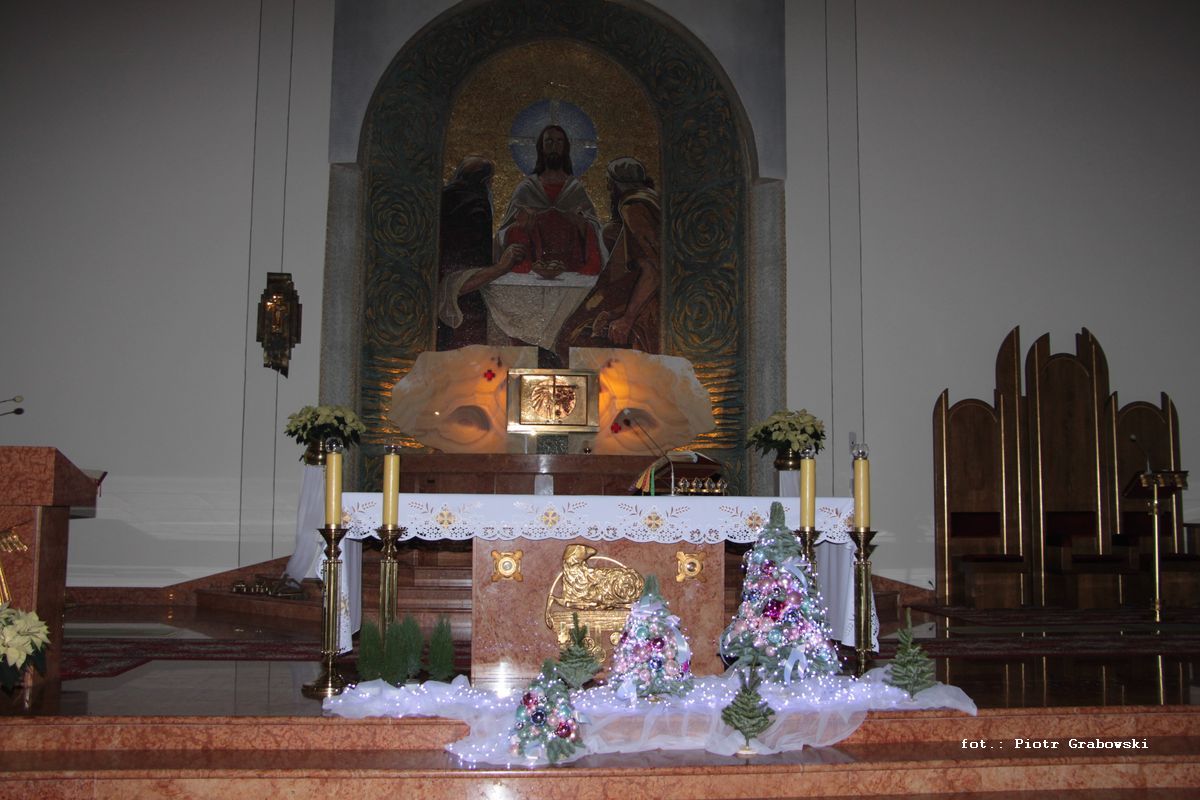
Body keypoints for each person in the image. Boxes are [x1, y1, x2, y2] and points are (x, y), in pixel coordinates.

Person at [557, 156, 661, 361]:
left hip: (647, 307)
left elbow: (653, 270)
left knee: (573, 338)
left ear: (613, 185)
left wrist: (627, 319)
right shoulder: (650, 202)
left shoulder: (634, 207)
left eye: (609, 184)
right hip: (634, 297)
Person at [436, 155, 525, 349]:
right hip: (462, 315)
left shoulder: (445, 199)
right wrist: (501, 267)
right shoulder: (475, 208)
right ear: (486, 182)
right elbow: (460, 280)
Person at [495, 125, 604, 276]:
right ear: (541, 147)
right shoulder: (527, 188)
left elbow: (594, 227)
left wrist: (582, 223)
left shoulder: (575, 189)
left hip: (571, 263)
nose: (554, 146)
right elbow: (504, 231)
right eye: (549, 141)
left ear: (565, 148)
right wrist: (523, 223)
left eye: (559, 141)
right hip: (533, 263)